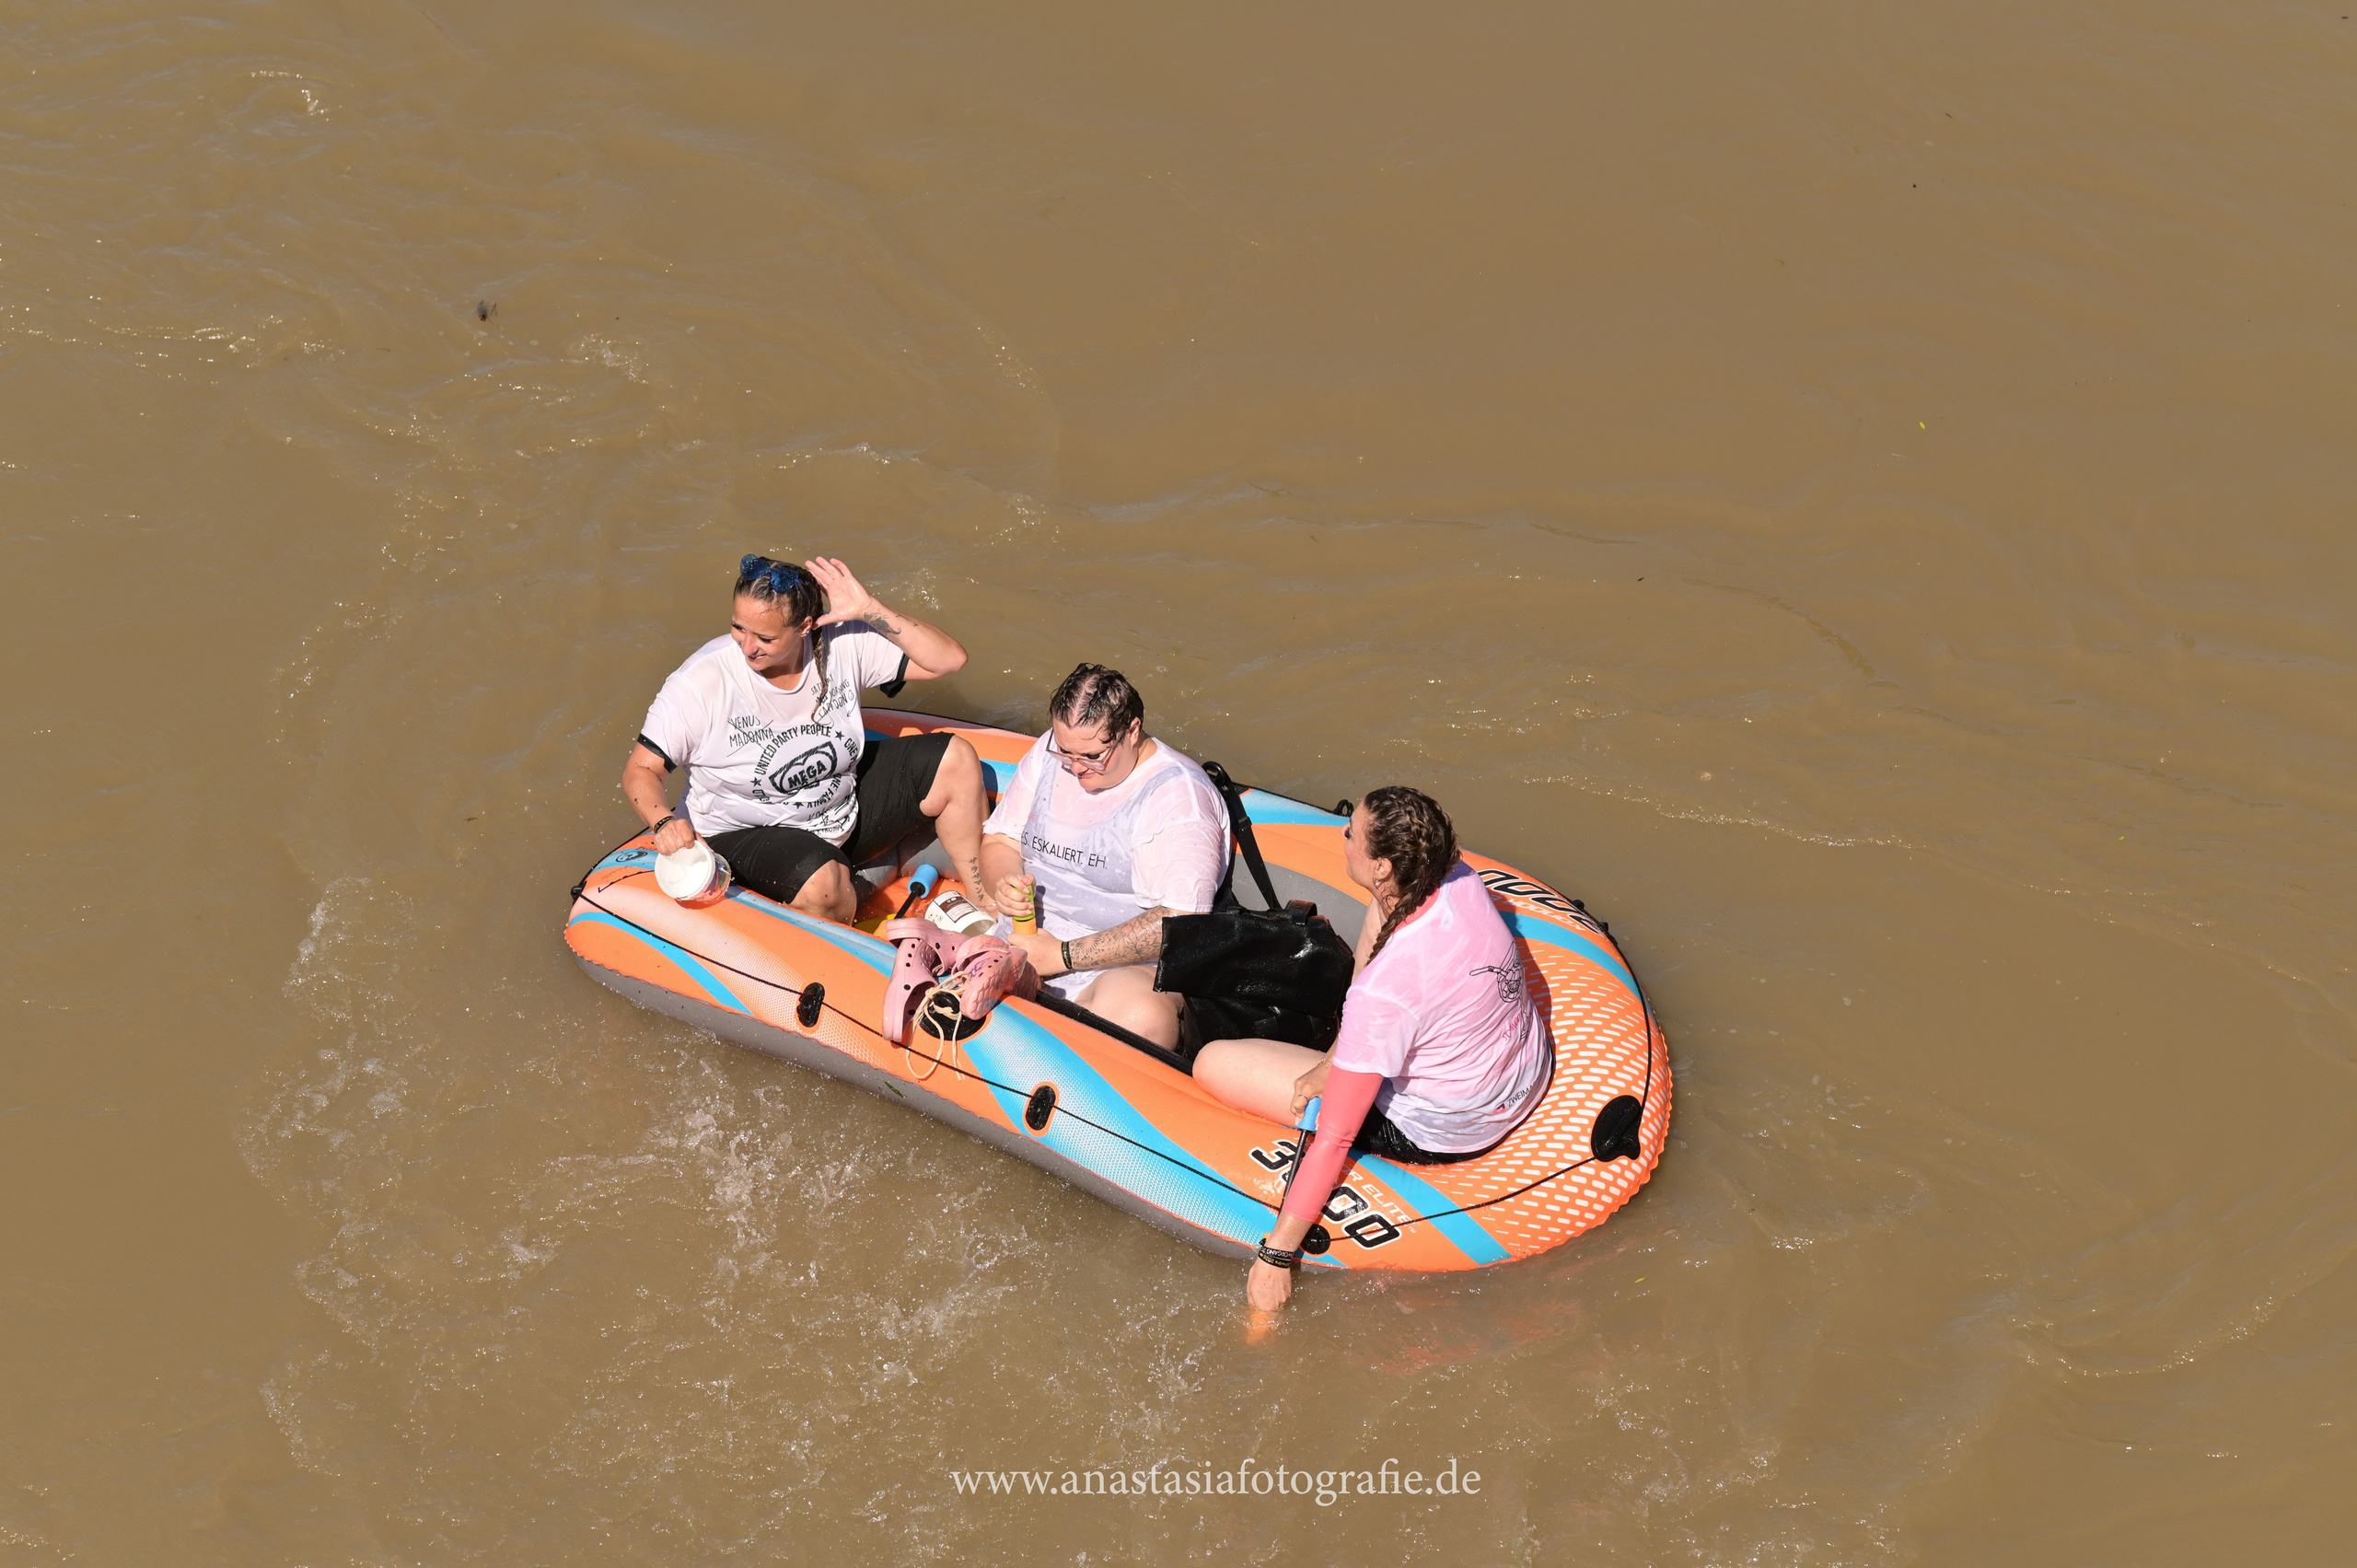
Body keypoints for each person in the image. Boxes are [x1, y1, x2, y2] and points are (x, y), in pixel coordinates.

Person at [1194, 786, 1552, 1313]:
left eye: (1350, 835)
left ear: (1384, 866)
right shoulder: (1458, 880)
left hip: (1442, 1128)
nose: (1341, 838)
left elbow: (1335, 1138)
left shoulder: (1385, 993)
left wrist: (1275, 1258)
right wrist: (1338, 1051)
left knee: (1212, 1062)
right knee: (1369, 949)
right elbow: (1380, 924)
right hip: (1519, 1077)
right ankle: (1338, 1052)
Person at [621, 554, 993, 922]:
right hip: (746, 833)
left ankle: (986, 906)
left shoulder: (841, 644)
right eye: (738, 628)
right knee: (824, 885)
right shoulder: (700, 683)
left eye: (765, 637)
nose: (747, 647)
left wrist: (870, 609)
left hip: (839, 808)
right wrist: (664, 823)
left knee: (955, 758)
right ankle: (846, 911)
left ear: (805, 627)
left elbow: (948, 660)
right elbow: (641, 771)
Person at [979, 665, 1230, 1049]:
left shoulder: (1178, 796)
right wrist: (1006, 884)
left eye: (1093, 756)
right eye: (1065, 751)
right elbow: (1000, 841)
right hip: (1025, 941)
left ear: (1132, 730)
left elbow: (1183, 926)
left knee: (1141, 1015)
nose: (1076, 767)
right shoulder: (1055, 752)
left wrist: (1061, 956)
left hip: (1116, 972)